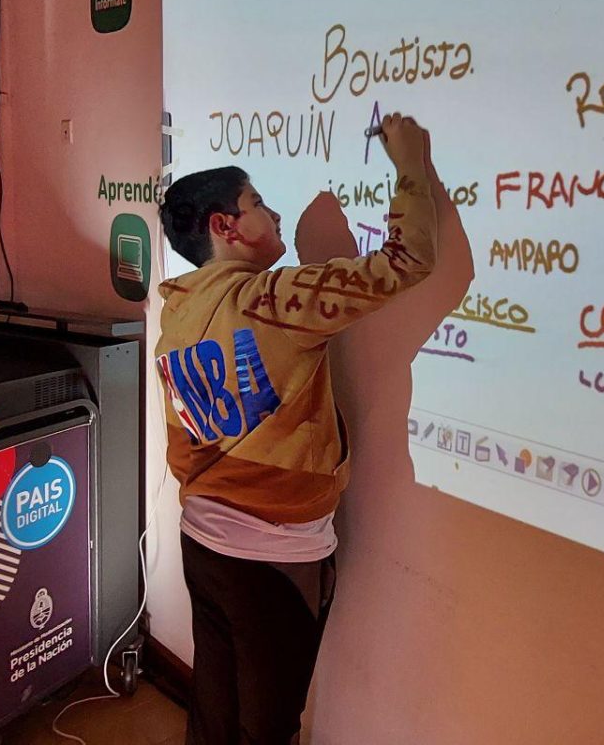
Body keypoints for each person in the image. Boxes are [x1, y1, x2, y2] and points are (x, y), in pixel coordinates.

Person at [155, 113, 440, 744]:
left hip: (203, 540)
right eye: (258, 203)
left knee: (215, 708)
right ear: (224, 226)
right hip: (273, 558)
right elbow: (409, 260)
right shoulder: (270, 300)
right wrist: (410, 164)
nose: (275, 214)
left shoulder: (178, 311)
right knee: (269, 725)